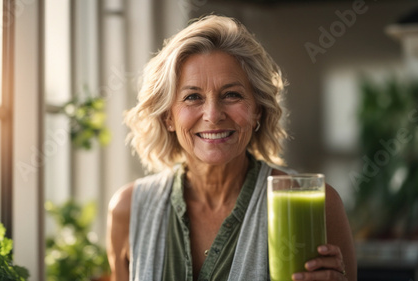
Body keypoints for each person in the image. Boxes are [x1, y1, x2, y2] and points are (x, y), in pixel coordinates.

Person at [106, 15, 356, 281]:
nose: (213, 115)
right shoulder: (129, 209)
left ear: (257, 109)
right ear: (169, 116)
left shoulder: (317, 205)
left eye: (231, 95)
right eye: (192, 97)